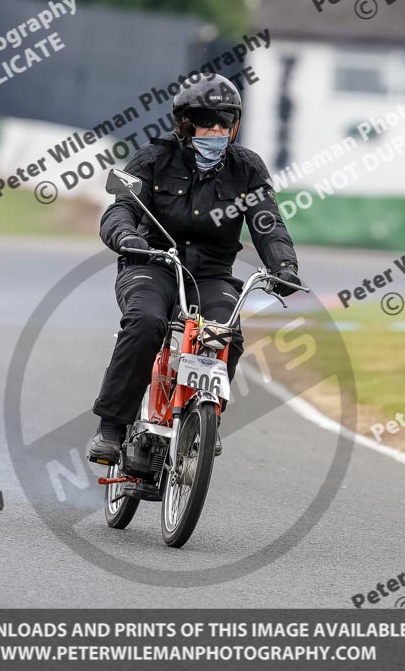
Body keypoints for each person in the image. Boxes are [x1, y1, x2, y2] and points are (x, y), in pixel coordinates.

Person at [87, 72, 300, 465]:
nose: (215, 130)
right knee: (146, 322)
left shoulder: (248, 168)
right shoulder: (152, 157)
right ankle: (112, 427)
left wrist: (283, 265)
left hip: (212, 275)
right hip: (152, 263)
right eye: (206, 121)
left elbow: (269, 222)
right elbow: (121, 209)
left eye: (224, 122)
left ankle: (207, 418)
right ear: (184, 123)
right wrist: (127, 237)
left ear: (234, 126)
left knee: (227, 335)